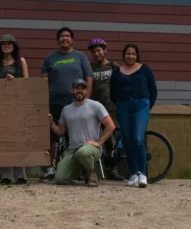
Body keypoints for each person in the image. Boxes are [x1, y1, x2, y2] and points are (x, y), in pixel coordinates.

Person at [40, 27, 93, 179]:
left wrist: (86, 100)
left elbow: (89, 78)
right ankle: (49, 168)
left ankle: (78, 169)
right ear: (58, 40)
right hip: (54, 102)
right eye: (62, 36)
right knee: (50, 136)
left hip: (75, 103)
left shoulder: (80, 57)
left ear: (72, 39)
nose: (65, 38)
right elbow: (43, 82)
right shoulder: (50, 58)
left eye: (67, 36)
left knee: (76, 137)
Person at [50, 78, 116, 187]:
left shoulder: (95, 105)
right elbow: (60, 131)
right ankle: (82, 172)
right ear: (72, 91)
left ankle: (92, 172)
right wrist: (51, 123)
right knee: (60, 179)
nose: (79, 91)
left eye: (82, 88)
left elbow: (111, 126)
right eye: (77, 88)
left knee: (83, 153)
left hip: (91, 148)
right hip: (73, 150)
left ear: (86, 91)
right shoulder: (66, 109)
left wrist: (99, 143)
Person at [110, 43, 158, 188]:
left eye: (133, 54)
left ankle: (142, 174)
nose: (130, 56)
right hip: (123, 106)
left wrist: (146, 106)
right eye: (127, 54)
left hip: (141, 106)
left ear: (137, 56)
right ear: (123, 55)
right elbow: (113, 92)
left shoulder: (145, 69)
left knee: (138, 139)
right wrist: (120, 104)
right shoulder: (117, 72)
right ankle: (133, 173)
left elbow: (153, 90)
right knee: (128, 140)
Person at [0, 34, 29, 185]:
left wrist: (15, 82)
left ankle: (20, 175)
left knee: (18, 139)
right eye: (3, 44)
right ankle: (5, 175)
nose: (6, 46)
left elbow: (27, 83)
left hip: (18, 104)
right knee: (4, 139)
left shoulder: (21, 61)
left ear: (14, 46)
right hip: (1, 105)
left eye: (9, 43)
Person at [87, 37, 124, 181]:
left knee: (111, 139)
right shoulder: (90, 68)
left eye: (99, 51)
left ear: (105, 51)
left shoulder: (114, 67)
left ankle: (112, 169)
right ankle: (93, 169)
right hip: (95, 108)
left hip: (111, 107)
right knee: (95, 137)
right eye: (94, 52)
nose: (96, 54)